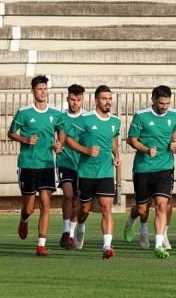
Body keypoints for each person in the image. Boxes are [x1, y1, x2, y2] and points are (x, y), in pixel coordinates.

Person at [8, 75, 63, 256]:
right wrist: (25, 139)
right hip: (28, 164)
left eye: (45, 89)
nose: (43, 92)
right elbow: (11, 133)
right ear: (33, 91)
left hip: (47, 164)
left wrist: (58, 144)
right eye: (39, 89)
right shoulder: (24, 112)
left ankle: (41, 245)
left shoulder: (55, 113)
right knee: (30, 207)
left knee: (46, 204)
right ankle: (24, 219)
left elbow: (61, 135)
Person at [65, 85, 122, 258]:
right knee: (84, 208)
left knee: (106, 207)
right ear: (96, 100)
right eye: (104, 98)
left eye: (110, 98)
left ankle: (107, 246)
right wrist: (86, 151)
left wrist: (116, 154)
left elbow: (113, 141)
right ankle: (80, 227)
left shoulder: (115, 121)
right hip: (86, 172)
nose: (108, 102)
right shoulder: (85, 119)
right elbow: (68, 139)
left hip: (105, 172)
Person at [124, 85, 176, 259]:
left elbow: (175, 136)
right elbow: (131, 139)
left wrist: (175, 145)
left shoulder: (173, 115)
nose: (164, 106)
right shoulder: (141, 116)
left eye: (167, 103)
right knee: (142, 209)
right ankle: (132, 221)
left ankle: (158, 245)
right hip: (143, 168)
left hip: (165, 167)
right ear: (153, 99)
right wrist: (146, 150)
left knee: (162, 205)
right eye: (161, 103)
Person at [54, 84, 86, 249]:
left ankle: (74, 231)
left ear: (82, 100)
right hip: (64, 162)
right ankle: (66, 231)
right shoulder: (60, 117)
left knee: (77, 200)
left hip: (82, 164)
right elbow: (57, 138)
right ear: (67, 99)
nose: (75, 103)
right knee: (67, 194)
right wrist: (57, 145)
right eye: (72, 99)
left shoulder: (87, 118)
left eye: (78, 100)